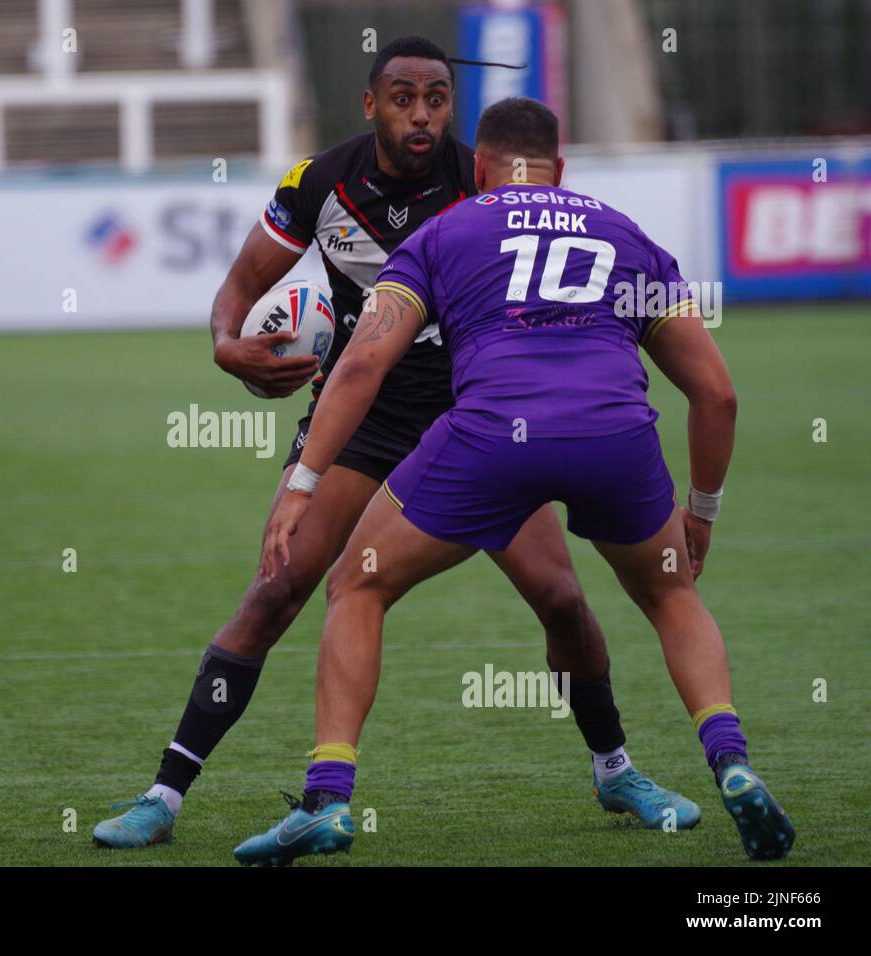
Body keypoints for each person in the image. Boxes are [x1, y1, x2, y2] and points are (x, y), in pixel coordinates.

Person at [94, 39, 696, 851]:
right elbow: (239, 290)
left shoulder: (479, 183)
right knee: (277, 587)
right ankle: (163, 796)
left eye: (438, 99)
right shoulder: (320, 183)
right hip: (363, 417)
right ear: (370, 105)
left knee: (560, 601)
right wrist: (224, 342)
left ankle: (616, 769)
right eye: (405, 98)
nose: (422, 114)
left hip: (478, 418)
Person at [234, 96, 794, 865]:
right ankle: (731, 762)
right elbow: (717, 393)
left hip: (493, 435)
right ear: (559, 170)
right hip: (615, 436)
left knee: (357, 587)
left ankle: (328, 800)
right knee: (670, 595)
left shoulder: (446, 231)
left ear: (481, 170)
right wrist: (701, 510)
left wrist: (302, 484)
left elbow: (363, 362)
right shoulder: (623, 233)